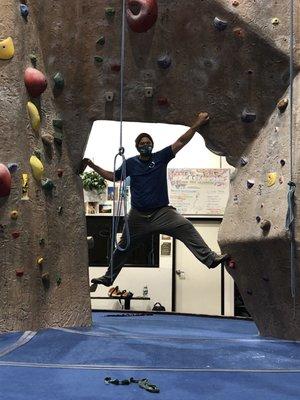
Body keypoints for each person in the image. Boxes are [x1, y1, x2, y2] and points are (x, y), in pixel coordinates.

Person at [79, 112, 230, 289]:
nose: (146, 145)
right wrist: (91, 164)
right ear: (137, 147)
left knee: (186, 227)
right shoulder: (131, 164)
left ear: (152, 144)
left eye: (148, 142)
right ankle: (108, 277)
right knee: (122, 247)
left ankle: (211, 259)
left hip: (162, 212)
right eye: (142, 143)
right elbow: (113, 176)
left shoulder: (160, 157)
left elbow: (181, 141)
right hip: (137, 216)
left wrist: (197, 124)